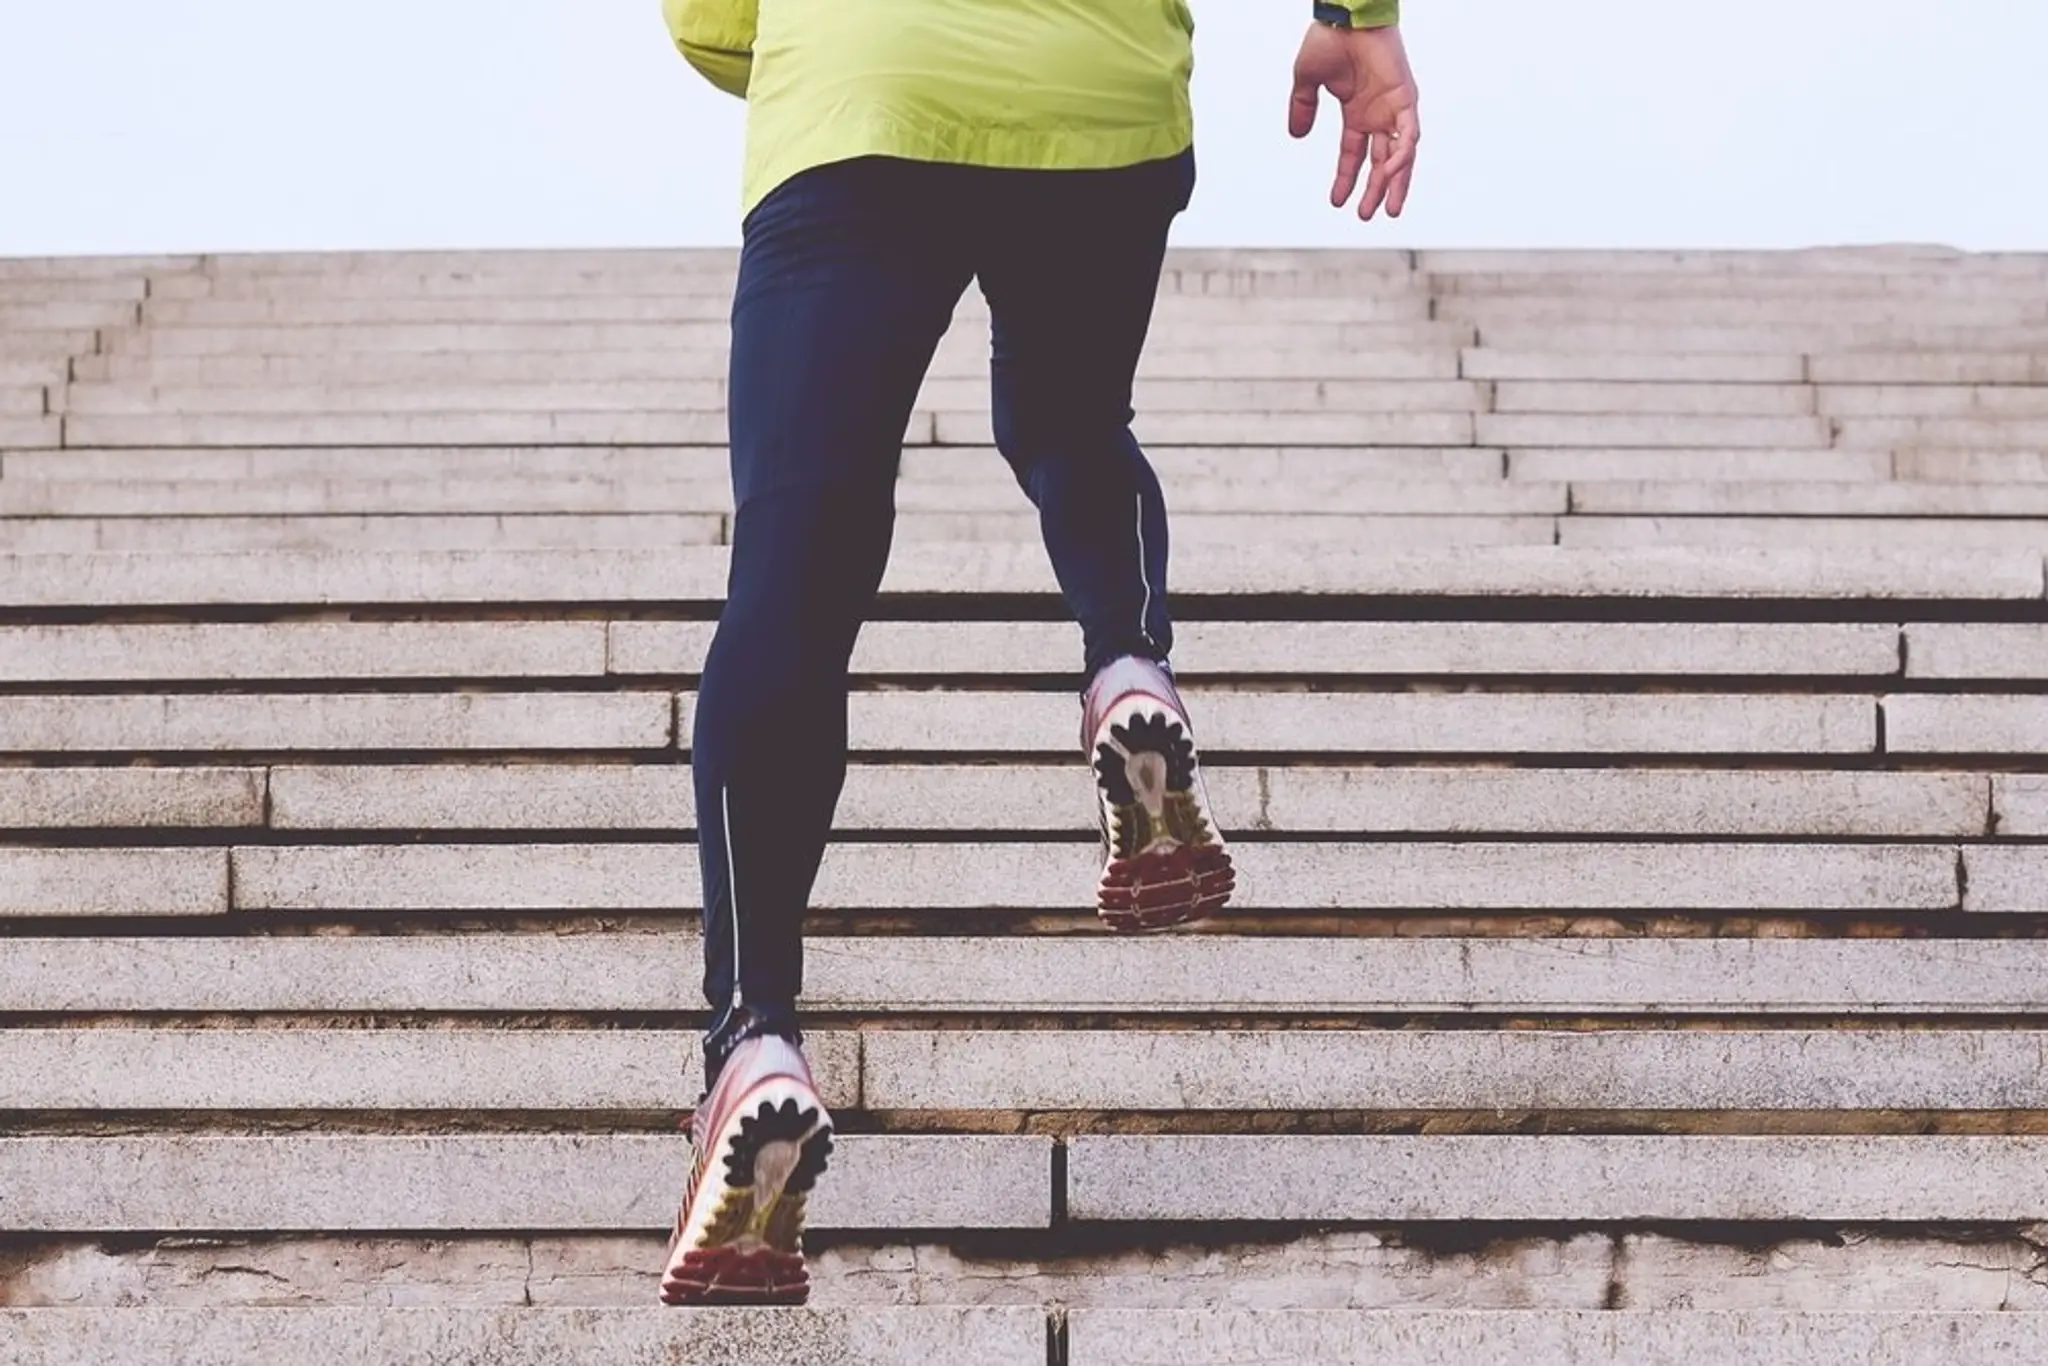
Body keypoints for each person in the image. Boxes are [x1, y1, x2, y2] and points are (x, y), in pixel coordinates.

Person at [656, 0, 1421, 1306]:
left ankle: (756, 1040)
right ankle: (1128, 664)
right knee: (1071, 417)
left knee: (797, 564)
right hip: (1097, 98)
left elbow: (707, 21)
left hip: (857, 90)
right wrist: (1358, 20)